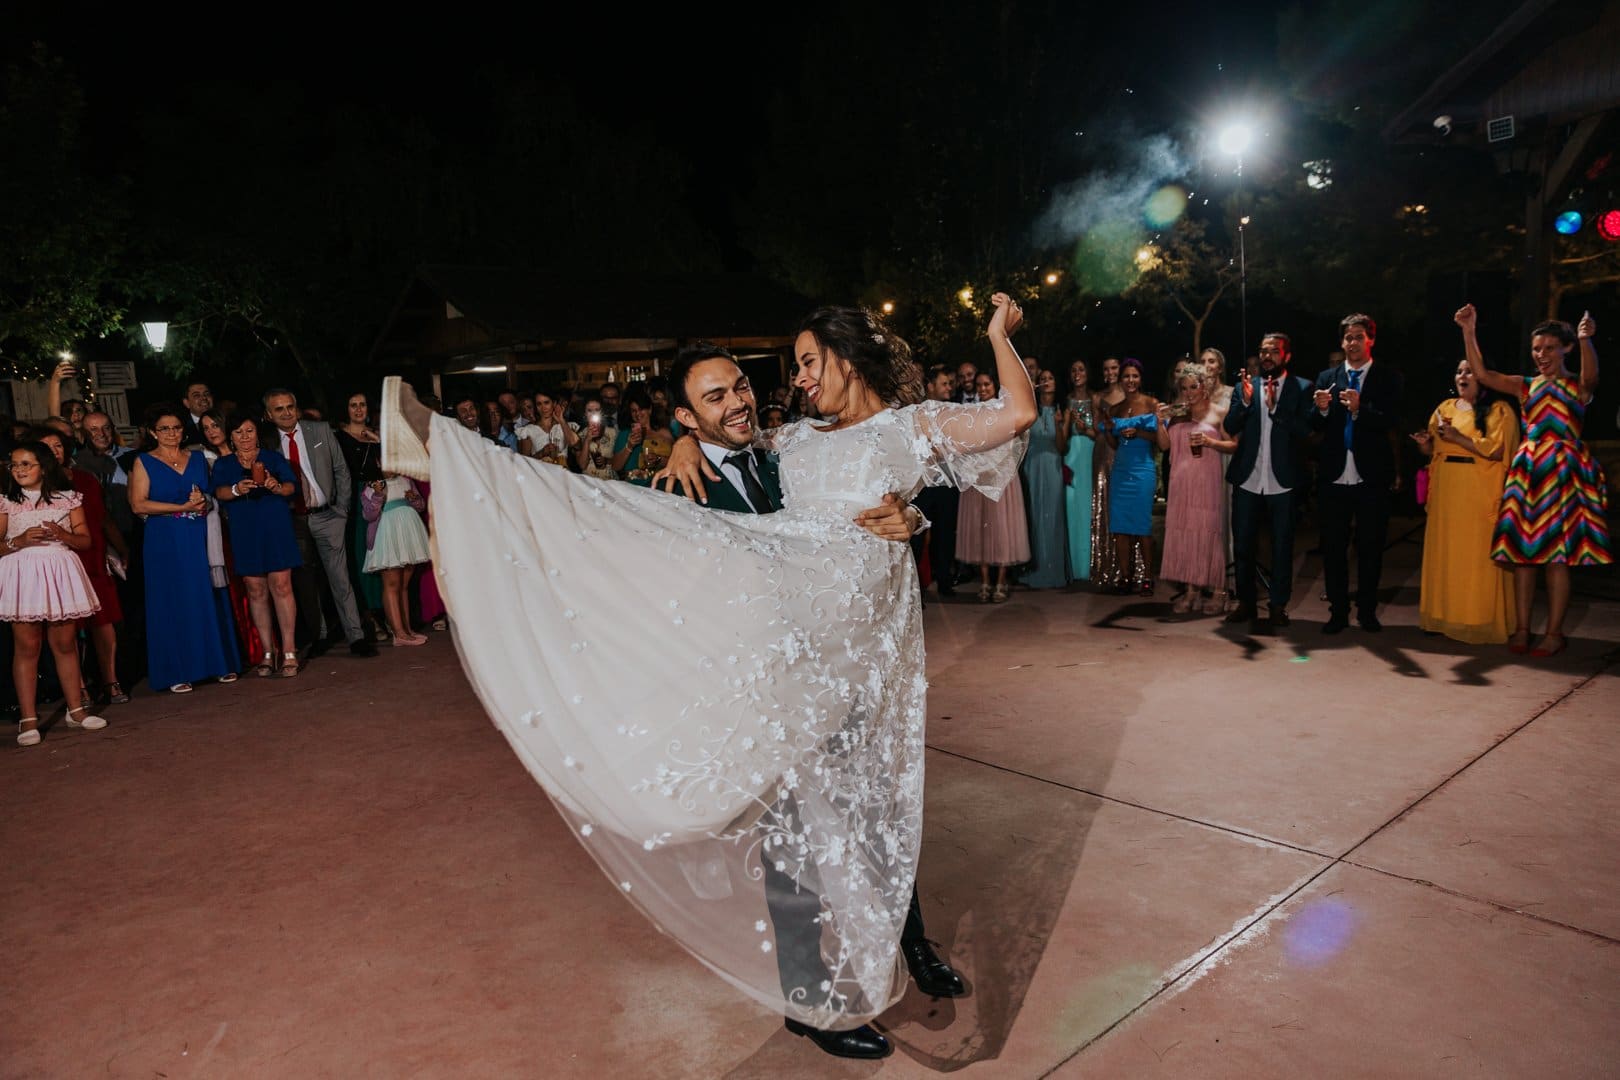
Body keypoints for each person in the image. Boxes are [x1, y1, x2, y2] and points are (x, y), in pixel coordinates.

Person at [375, 294, 1035, 1048]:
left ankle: (908, 947)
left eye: (795, 367)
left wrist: (914, 510)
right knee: (792, 843)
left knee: (878, 803)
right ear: (687, 417)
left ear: (847, 358)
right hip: (777, 674)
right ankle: (808, 998)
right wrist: (682, 453)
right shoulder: (712, 465)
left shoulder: (789, 444)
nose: (771, 388)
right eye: (717, 396)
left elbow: (976, 434)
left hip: (860, 655)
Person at [1457, 304, 1609, 655]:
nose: (1541, 355)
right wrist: (1469, 330)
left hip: (1564, 472)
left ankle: (1554, 633)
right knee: (1524, 557)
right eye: (1537, 349)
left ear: (1565, 349)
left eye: (1550, 348)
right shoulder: (1525, 386)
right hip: (1530, 472)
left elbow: (1590, 379)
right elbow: (1482, 373)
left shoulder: (1576, 386)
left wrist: (1586, 340)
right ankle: (1523, 630)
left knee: (1557, 558)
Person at [1, 441, 109, 744]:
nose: (19, 469)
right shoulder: (7, 502)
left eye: (26, 463)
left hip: (60, 572)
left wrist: (63, 535)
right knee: (27, 647)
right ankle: (28, 719)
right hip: (22, 574)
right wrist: (18, 540)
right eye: (15, 464)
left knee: (65, 644)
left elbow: (86, 540)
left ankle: (76, 710)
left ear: (44, 467)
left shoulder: (68, 499)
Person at [128, 406, 241, 693]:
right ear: (153, 432)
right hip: (163, 537)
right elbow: (138, 504)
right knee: (172, 599)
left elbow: (209, 496)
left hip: (198, 533)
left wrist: (200, 501)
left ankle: (218, 664)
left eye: (176, 427)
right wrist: (180, 507)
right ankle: (178, 671)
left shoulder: (199, 458)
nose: (171, 433)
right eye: (164, 428)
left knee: (206, 594)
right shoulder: (144, 461)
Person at [1410, 356, 1519, 645]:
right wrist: (1425, 445)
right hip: (1446, 488)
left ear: (1484, 377)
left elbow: (1498, 451)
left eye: (1469, 371)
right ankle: (1442, 618)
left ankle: (1478, 622)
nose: (1462, 375)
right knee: (1446, 553)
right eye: (1458, 370)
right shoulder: (1444, 408)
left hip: (1479, 490)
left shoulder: (1500, 410)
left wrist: (1460, 439)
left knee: (1475, 558)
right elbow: (1432, 450)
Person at [264, 388, 378, 659]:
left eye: (290, 406)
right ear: (269, 415)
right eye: (279, 409)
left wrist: (342, 509)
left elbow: (341, 469)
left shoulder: (320, 430)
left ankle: (356, 636)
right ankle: (320, 635)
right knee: (306, 583)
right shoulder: (267, 442)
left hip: (328, 516)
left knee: (341, 578)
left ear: (297, 407)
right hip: (293, 519)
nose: (286, 412)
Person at [1309, 314, 1404, 634]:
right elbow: (1315, 425)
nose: (1352, 343)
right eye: (1348, 337)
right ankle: (1338, 611)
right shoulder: (1327, 377)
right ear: (1341, 342)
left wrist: (1360, 409)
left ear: (1370, 340)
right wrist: (1321, 409)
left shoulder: (1387, 377)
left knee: (1370, 547)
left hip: (1370, 475)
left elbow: (1391, 420)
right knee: (1334, 549)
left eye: (1359, 337)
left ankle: (1366, 610)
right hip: (1334, 475)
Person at [1223, 333, 1314, 629]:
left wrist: (1275, 409)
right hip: (1248, 478)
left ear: (1286, 356)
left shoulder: (1302, 388)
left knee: (1282, 546)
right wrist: (1246, 403)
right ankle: (1247, 603)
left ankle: (1277, 605)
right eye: (1263, 351)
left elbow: (1305, 431)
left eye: (1274, 351)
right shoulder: (1244, 388)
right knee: (1244, 546)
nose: (1267, 356)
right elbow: (1230, 426)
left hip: (1283, 480)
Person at [33, 427, 126, 703]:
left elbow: (103, 518)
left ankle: (111, 680)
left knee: (104, 621)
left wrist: (121, 548)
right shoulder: (32, 486)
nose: (54, 451)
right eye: (47, 446)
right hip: (60, 560)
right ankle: (80, 687)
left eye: (59, 445)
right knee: (68, 627)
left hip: (93, 555)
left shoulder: (85, 480)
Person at [212, 413, 303, 676]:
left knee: (282, 586)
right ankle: (267, 650)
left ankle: (289, 650)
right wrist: (237, 489)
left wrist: (276, 486)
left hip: (275, 527)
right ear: (230, 436)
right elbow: (218, 493)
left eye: (249, 431)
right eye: (239, 432)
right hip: (244, 530)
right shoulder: (224, 464)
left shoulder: (273, 458)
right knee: (255, 590)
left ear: (257, 433)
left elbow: (291, 488)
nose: (244, 437)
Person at [1156, 366, 1236, 613]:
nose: (1189, 392)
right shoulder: (1178, 413)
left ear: (1205, 386)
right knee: (1186, 536)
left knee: (1207, 533)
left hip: (1206, 483)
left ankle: (1219, 591)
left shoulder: (1219, 412)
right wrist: (1159, 422)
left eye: (1194, 386)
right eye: (1184, 388)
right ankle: (1192, 591)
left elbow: (1234, 445)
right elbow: (1164, 445)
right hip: (1180, 482)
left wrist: (1210, 441)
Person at [955, 370, 1032, 602]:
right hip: (978, 479)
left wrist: (996, 464)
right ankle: (985, 582)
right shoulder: (971, 413)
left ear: (994, 385)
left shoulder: (1005, 412)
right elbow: (965, 443)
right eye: (979, 384)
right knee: (981, 531)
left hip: (1002, 477)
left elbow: (1016, 443)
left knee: (1002, 529)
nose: (982, 388)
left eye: (986, 384)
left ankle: (1001, 582)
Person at [1099, 357, 1162, 596]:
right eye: (1126, 376)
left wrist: (1138, 433)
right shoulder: (1115, 409)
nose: (1131, 380)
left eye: (1135, 376)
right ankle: (1126, 577)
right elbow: (1114, 443)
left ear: (1140, 378)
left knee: (1143, 526)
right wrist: (1107, 429)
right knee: (1120, 527)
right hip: (1121, 470)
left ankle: (1147, 576)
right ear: (1121, 380)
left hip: (1143, 469)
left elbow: (1159, 440)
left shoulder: (1151, 403)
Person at [335, 391, 387, 641]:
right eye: (353, 405)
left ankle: (383, 611)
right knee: (359, 555)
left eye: (362, 404)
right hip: (353, 498)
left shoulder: (377, 436)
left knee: (380, 551)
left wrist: (376, 439)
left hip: (378, 494)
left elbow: (389, 466)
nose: (358, 409)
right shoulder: (338, 437)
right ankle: (368, 616)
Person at [361, 472, 431, 645]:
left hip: (408, 535)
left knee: (404, 586)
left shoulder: (406, 480)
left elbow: (421, 506)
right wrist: (378, 495)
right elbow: (369, 516)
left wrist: (414, 498)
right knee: (392, 584)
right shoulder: (371, 486)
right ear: (378, 463)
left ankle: (407, 630)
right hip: (388, 535)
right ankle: (398, 633)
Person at [911, 366, 962, 598]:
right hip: (924, 483)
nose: (949, 387)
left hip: (948, 482)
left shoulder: (955, 412)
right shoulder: (917, 412)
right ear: (930, 386)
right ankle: (916, 587)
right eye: (944, 384)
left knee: (945, 533)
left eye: (950, 384)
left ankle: (944, 580)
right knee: (918, 536)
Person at [1022, 369, 1070, 588]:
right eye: (1043, 379)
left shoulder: (1063, 411)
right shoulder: (1029, 410)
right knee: (1033, 516)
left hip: (1053, 468)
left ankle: (1054, 570)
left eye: (1050, 378)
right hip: (1032, 467)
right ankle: (1034, 569)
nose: (1047, 382)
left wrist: (1060, 425)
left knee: (1053, 517)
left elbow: (1061, 448)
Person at [1057, 359, 1096, 584]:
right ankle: (1075, 568)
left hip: (1091, 456)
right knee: (1073, 510)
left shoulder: (1096, 399)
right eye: (1073, 370)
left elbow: (1102, 434)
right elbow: (1062, 439)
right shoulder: (1066, 401)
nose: (1077, 373)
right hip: (1072, 458)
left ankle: (1091, 566)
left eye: (1081, 369)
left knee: (1090, 510)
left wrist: (1088, 430)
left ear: (1088, 373)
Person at [181, 382, 214, 449]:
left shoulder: (224, 421)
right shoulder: (181, 428)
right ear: (186, 403)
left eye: (207, 394)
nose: (204, 398)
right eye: (197, 395)